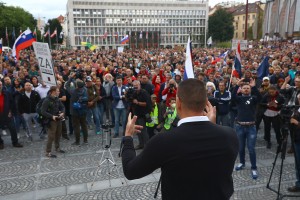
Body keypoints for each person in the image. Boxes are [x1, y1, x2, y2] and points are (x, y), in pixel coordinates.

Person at [122, 79, 238, 200]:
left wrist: (128, 137)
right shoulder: (230, 135)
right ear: (206, 103)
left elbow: (130, 170)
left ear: (178, 103)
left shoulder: (164, 141)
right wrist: (213, 126)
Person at [232, 78, 261, 179]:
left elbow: (260, 98)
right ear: (241, 89)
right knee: (240, 147)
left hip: (251, 127)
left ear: (250, 89)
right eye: (244, 88)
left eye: (248, 88)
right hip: (240, 127)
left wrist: (254, 87)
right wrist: (236, 86)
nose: (246, 89)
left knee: (251, 148)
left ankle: (254, 167)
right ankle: (242, 163)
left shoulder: (253, 98)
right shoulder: (239, 99)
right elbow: (232, 97)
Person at [41, 86, 65, 158]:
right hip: (51, 121)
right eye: (57, 91)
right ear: (53, 92)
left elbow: (62, 107)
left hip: (58, 119)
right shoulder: (47, 100)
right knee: (51, 136)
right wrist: (52, 116)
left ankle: (57, 147)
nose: (59, 92)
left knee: (58, 134)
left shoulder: (57, 99)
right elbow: (43, 111)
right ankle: (48, 152)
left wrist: (62, 113)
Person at [65, 76, 89, 146]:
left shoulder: (73, 91)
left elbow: (66, 85)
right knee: (84, 126)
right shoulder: (85, 90)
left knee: (76, 127)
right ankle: (85, 140)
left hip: (75, 111)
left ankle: (77, 141)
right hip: (83, 110)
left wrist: (70, 78)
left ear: (76, 86)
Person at [0, 81, 23, 149]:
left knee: (13, 128)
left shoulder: (7, 93)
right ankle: (0, 143)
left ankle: (15, 142)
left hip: (7, 114)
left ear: (2, 85)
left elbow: (12, 103)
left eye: (0, 84)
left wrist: (11, 111)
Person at [131, 80, 152, 150]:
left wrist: (138, 103)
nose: (135, 88)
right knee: (138, 130)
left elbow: (147, 103)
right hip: (136, 114)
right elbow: (130, 99)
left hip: (143, 114)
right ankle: (141, 144)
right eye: (134, 87)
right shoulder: (134, 92)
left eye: (136, 86)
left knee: (143, 130)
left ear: (139, 85)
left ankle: (147, 146)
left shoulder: (144, 93)